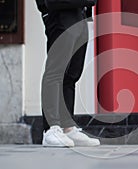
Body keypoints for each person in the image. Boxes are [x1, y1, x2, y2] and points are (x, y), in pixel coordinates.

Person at [35, 0, 100, 147]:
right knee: (55, 72)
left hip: (79, 16)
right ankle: (51, 129)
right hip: (60, 16)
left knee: (71, 76)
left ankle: (68, 127)